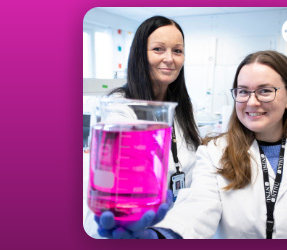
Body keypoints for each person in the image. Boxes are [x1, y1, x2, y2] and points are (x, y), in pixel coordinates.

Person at [96, 50, 287, 239]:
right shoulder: (215, 153)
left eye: (265, 91)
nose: (251, 101)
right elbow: (198, 208)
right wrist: (157, 236)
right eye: (243, 91)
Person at [84, 15, 201, 238]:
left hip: (170, 228)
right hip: (123, 228)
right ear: (140, 54)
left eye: (177, 50)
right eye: (158, 49)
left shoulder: (185, 109)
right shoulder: (118, 108)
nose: (170, 58)